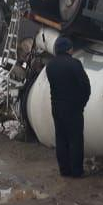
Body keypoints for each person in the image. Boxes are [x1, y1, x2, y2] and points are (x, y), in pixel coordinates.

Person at [42, 36, 91, 178]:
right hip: (73, 108)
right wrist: (81, 104)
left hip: (56, 107)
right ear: (68, 49)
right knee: (75, 140)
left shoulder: (50, 66)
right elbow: (85, 87)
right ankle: (77, 171)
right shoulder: (75, 64)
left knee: (61, 139)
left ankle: (64, 170)